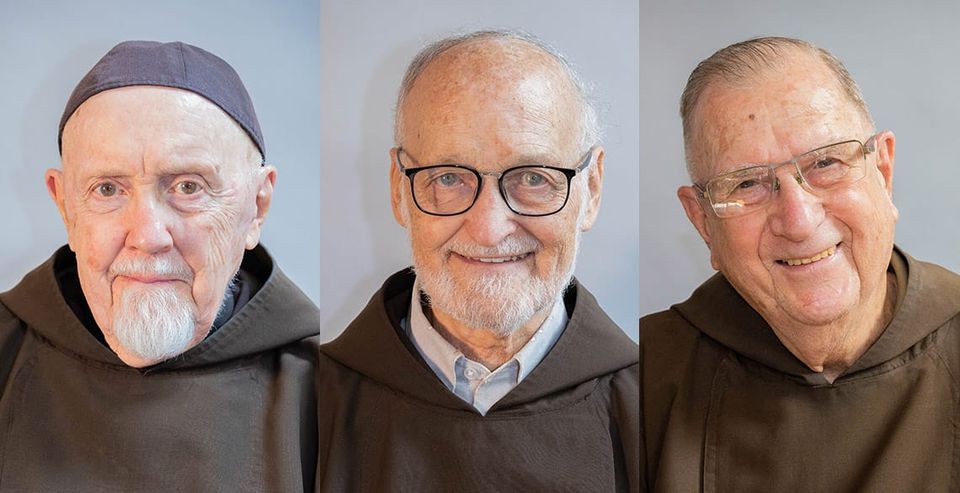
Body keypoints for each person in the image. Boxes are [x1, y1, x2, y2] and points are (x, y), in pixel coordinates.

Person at [316, 31, 639, 492]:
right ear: (398, 188)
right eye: (448, 178)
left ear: (592, 190)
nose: (489, 228)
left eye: (533, 177)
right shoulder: (306, 410)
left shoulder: (659, 412)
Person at [0, 41, 323, 490]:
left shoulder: (333, 394)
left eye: (189, 187)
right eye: (108, 190)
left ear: (257, 207)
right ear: (64, 206)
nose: (148, 236)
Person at [640, 36, 960, 491]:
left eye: (826, 162)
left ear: (883, 173)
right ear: (703, 222)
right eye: (747, 183)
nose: (798, 219)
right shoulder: (636, 379)